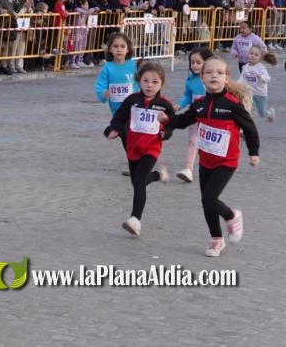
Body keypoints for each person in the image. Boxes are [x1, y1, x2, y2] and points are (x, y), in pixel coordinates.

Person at [163, 56, 259, 257]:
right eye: (209, 72)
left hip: (226, 161)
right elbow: (182, 121)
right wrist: (167, 120)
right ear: (202, 78)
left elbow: (250, 129)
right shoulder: (199, 104)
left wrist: (253, 152)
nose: (214, 75)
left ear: (226, 77)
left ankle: (231, 215)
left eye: (219, 72)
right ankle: (216, 239)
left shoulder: (232, 105)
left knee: (209, 198)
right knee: (206, 202)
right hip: (206, 160)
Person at [104, 62, 174, 236]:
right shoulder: (132, 100)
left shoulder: (165, 105)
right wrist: (111, 130)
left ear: (162, 84)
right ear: (139, 81)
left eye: (155, 82)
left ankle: (135, 220)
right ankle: (158, 175)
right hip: (133, 146)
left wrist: (165, 132)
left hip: (152, 147)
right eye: (146, 81)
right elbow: (118, 118)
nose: (150, 85)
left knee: (140, 181)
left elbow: (171, 125)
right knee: (137, 182)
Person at [174, 47, 214, 183]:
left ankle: (213, 168)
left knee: (209, 144)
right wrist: (180, 105)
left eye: (198, 62)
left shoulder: (213, 78)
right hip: (195, 116)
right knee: (192, 141)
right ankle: (188, 169)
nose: (195, 65)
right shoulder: (190, 80)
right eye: (192, 62)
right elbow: (187, 95)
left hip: (212, 118)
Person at [95, 32, 139, 114]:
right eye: (115, 46)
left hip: (134, 107)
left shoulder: (134, 66)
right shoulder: (107, 68)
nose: (119, 49)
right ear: (110, 49)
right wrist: (104, 93)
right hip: (116, 110)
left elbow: (140, 83)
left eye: (122, 46)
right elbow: (100, 85)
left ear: (128, 49)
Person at [238, 46, 277, 122]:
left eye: (256, 55)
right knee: (246, 108)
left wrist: (261, 77)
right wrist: (237, 86)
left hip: (260, 93)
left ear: (260, 58)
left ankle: (270, 113)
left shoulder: (261, 68)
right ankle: (247, 122)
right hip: (249, 93)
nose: (253, 56)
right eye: (251, 53)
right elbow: (242, 79)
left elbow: (268, 78)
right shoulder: (245, 67)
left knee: (262, 113)